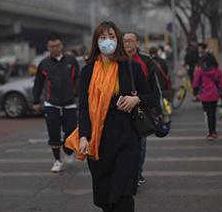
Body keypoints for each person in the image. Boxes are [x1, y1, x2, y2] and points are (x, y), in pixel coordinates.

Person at [65, 21, 150, 212]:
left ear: (118, 40)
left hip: (126, 136)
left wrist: (135, 100)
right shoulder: (87, 71)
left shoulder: (130, 67)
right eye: (102, 37)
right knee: (105, 197)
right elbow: (84, 106)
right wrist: (84, 136)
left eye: (111, 36)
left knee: (124, 194)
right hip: (98, 140)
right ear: (96, 42)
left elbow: (148, 96)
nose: (107, 41)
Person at [33, 33, 80, 173]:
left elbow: (78, 79)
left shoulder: (71, 61)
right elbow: (38, 83)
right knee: (53, 134)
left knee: (71, 131)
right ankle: (57, 161)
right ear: (48, 47)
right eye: (52, 46)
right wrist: (36, 101)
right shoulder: (44, 63)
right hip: (51, 104)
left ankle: (68, 149)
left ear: (62, 45)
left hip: (70, 104)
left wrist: (78, 94)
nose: (55, 48)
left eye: (57, 45)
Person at [123, 32, 161, 187]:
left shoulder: (146, 61)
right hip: (121, 110)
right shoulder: (117, 61)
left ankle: (137, 173)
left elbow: (155, 88)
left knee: (141, 144)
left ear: (137, 43)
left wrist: (159, 111)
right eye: (124, 41)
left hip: (142, 109)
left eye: (130, 41)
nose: (127, 44)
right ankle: (127, 173)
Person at [192, 52, 222, 141]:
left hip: (204, 95)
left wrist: (195, 91)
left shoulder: (200, 70)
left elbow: (195, 82)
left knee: (207, 113)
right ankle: (213, 131)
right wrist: (221, 92)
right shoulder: (217, 70)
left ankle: (210, 132)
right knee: (213, 113)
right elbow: (221, 83)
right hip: (215, 94)